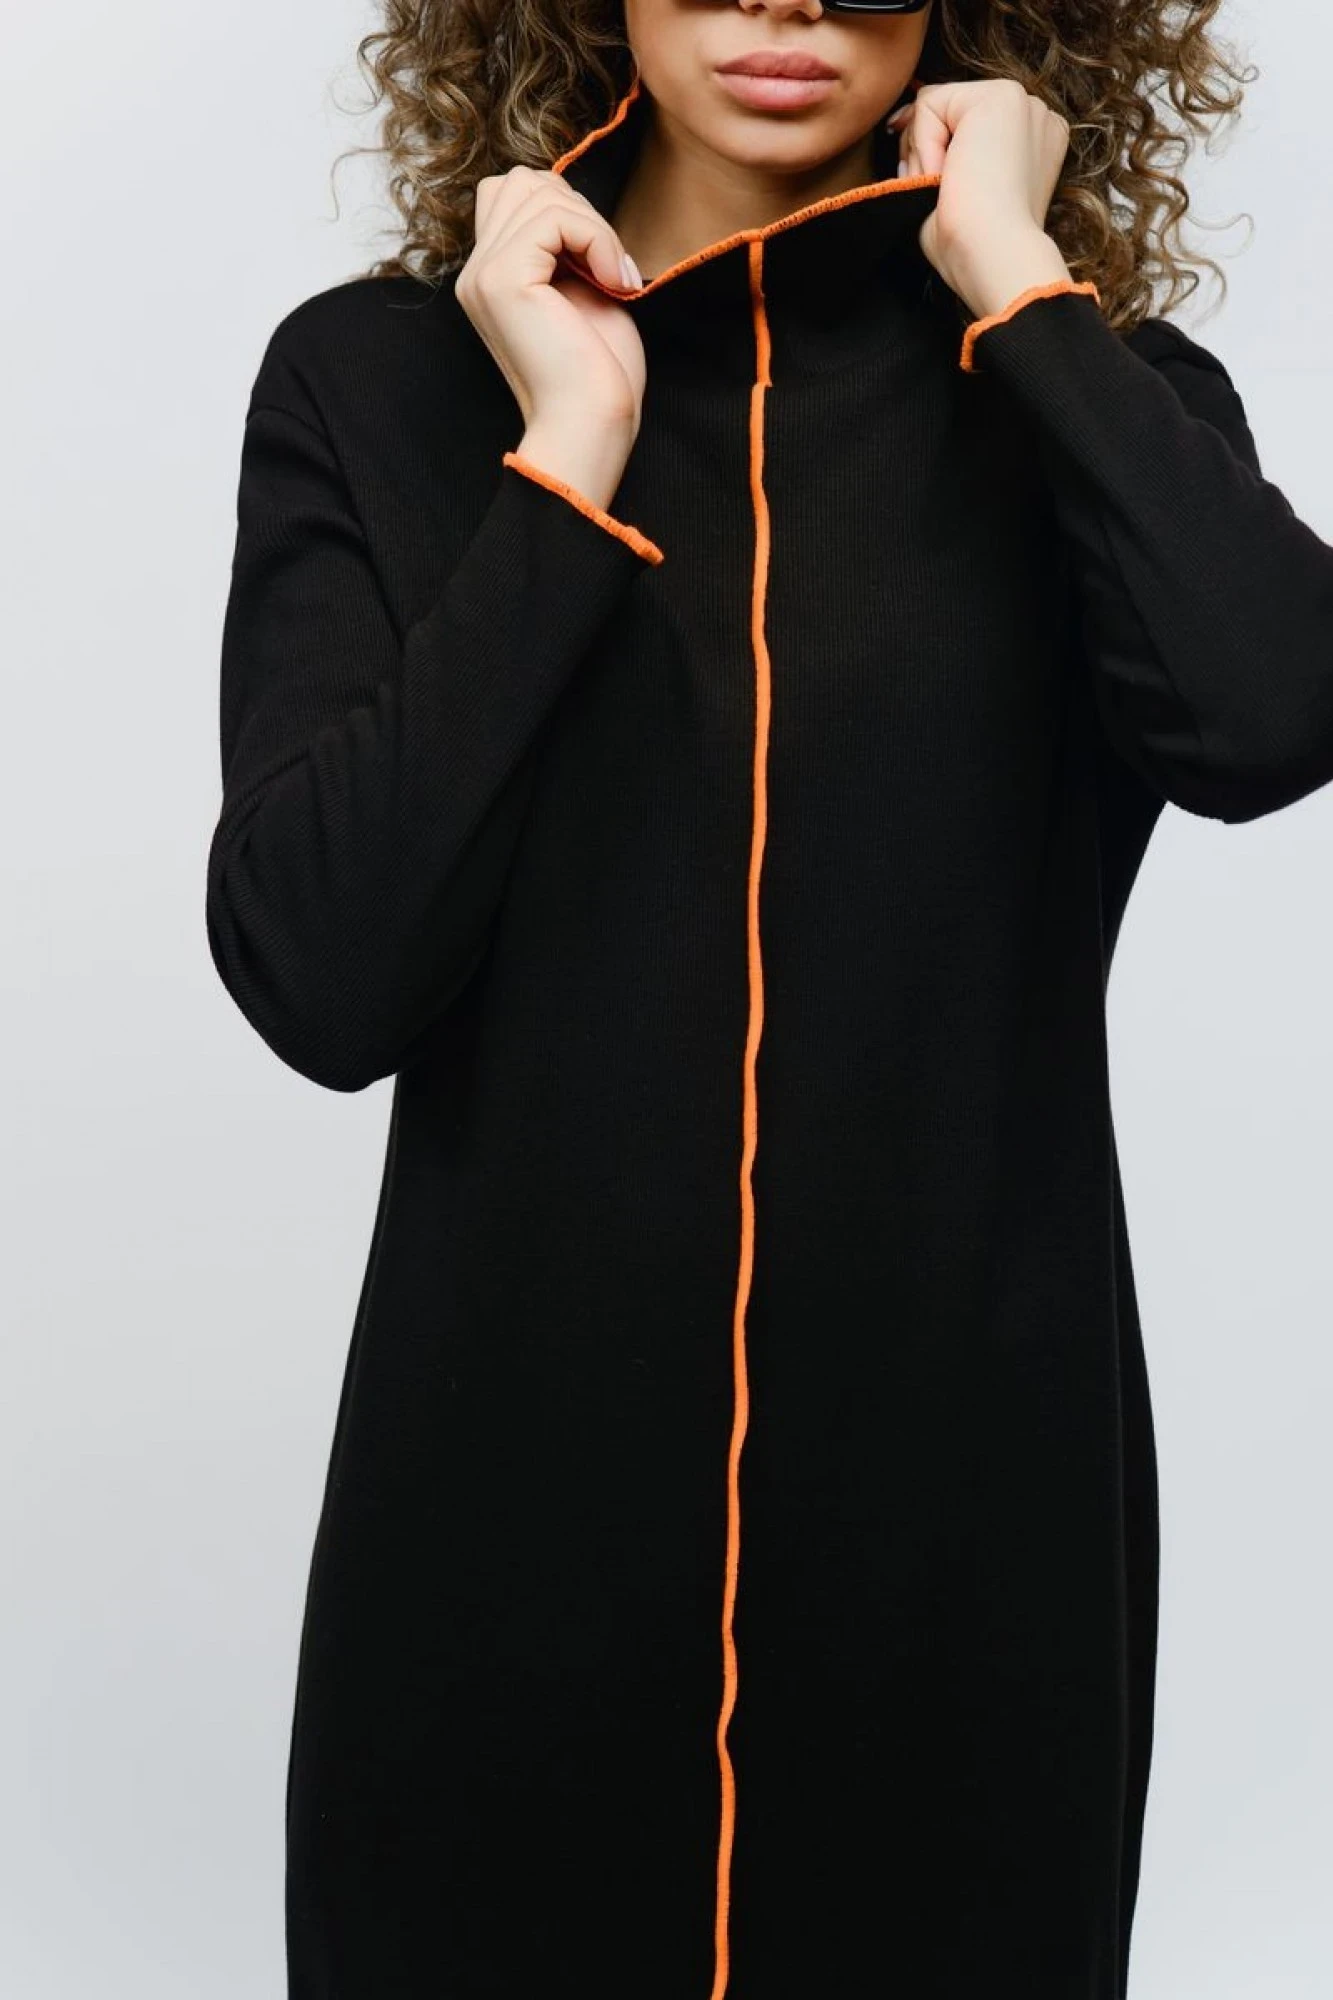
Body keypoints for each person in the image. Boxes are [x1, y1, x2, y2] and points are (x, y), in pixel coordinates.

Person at [205, 1, 1333, 1994]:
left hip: (968, 1573)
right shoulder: (381, 383)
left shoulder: (1080, 388)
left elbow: (1268, 712)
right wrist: (567, 452)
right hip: (499, 1566)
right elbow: (322, 970)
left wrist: (1022, 285)